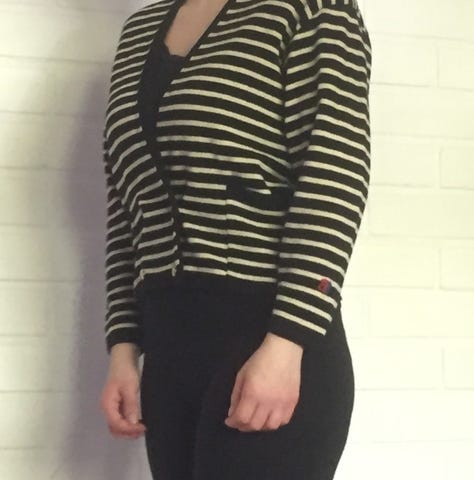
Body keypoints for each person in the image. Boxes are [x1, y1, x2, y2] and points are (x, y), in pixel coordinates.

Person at [99, 0, 372, 478]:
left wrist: (288, 342)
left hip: (268, 339)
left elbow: (335, 177)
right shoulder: (140, 28)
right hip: (169, 352)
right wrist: (124, 347)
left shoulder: (310, 11)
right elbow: (127, 204)